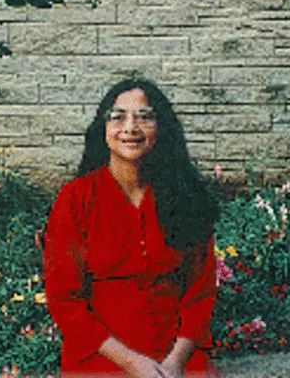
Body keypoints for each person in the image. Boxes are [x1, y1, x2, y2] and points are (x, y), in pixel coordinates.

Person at [42, 78, 224, 378]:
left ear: (161, 127)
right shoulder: (75, 199)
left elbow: (200, 293)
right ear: (103, 128)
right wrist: (131, 363)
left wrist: (175, 363)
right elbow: (64, 299)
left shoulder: (186, 196)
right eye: (118, 117)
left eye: (144, 117)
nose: (130, 128)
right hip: (101, 353)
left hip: (177, 354)